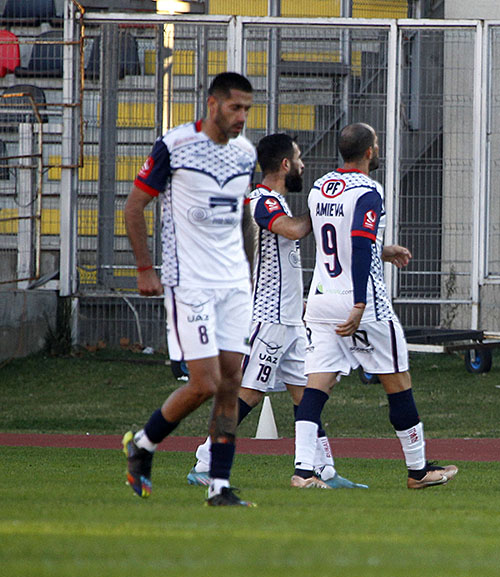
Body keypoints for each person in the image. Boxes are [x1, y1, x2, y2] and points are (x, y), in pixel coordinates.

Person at [184, 133, 367, 490]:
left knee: (308, 394)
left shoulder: (276, 201)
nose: (302, 165)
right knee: (249, 393)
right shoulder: (261, 201)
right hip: (268, 319)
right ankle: (205, 460)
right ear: (285, 164)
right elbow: (294, 230)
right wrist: (323, 207)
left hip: (290, 322)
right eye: (298, 159)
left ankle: (325, 468)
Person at [296, 122, 458, 489]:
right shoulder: (369, 189)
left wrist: (384, 251)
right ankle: (418, 470)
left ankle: (303, 472)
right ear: (370, 151)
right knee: (398, 380)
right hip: (361, 303)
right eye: (378, 145)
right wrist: (358, 302)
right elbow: (357, 243)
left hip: (319, 299)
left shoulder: (320, 187)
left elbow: (333, 241)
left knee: (316, 387)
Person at [122, 72, 258, 507]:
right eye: (235, 107)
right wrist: (145, 268)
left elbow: (242, 216)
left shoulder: (245, 153)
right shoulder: (175, 145)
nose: (241, 117)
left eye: (247, 110)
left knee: (231, 382)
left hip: (234, 283)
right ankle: (143, 443)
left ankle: (219, 486)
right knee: (204, 382)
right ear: (213, 103)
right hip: (191, 283)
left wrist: (248, 271)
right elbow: (134, 206)